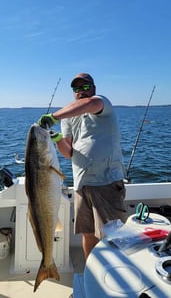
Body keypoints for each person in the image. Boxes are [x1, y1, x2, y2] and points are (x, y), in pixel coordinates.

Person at [38, 73, 127, 260]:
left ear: (93, 88)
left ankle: (114, 278)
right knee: (88, 234)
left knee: (112, 236)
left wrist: (53, 116)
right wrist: (57, 139)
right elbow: (67, 152)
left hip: (106, 181)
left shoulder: (102, 103)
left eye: (85, 87)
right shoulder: (68, 118)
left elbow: (89, 105)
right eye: (77, 89)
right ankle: (91, 273)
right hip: (81, 183)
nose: (81, 92)